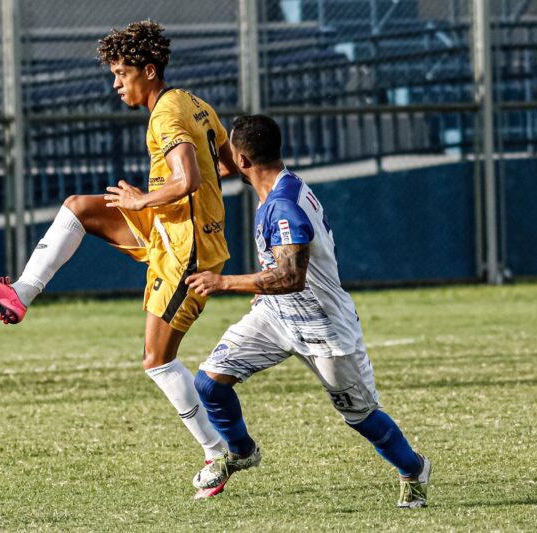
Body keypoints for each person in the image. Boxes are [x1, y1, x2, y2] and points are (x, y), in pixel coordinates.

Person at [0, 20, 238, 498]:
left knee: (157, 360)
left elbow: (190, 178)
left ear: (149, 71)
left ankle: (217, 453)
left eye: (121, 73)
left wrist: (142, 201)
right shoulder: (193, 103)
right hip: (168, 231)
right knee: (80, 208)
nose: (115, 84)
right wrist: (163, 201)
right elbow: (228, 162)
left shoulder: (166, 116)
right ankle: (20, 294)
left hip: (186, 252)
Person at [185, 114, 432, 508]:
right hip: (276, 315)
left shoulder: (281, 205)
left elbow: (292, 276)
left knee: (361, 417)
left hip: (324, 327)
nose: (224, 157)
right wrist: (262, 289)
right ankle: (240, 452)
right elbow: (282, 274)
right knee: (210, 383)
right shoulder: (280, 185)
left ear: (243, 160)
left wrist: (224, 282)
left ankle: (413, 468)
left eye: (229, 150)